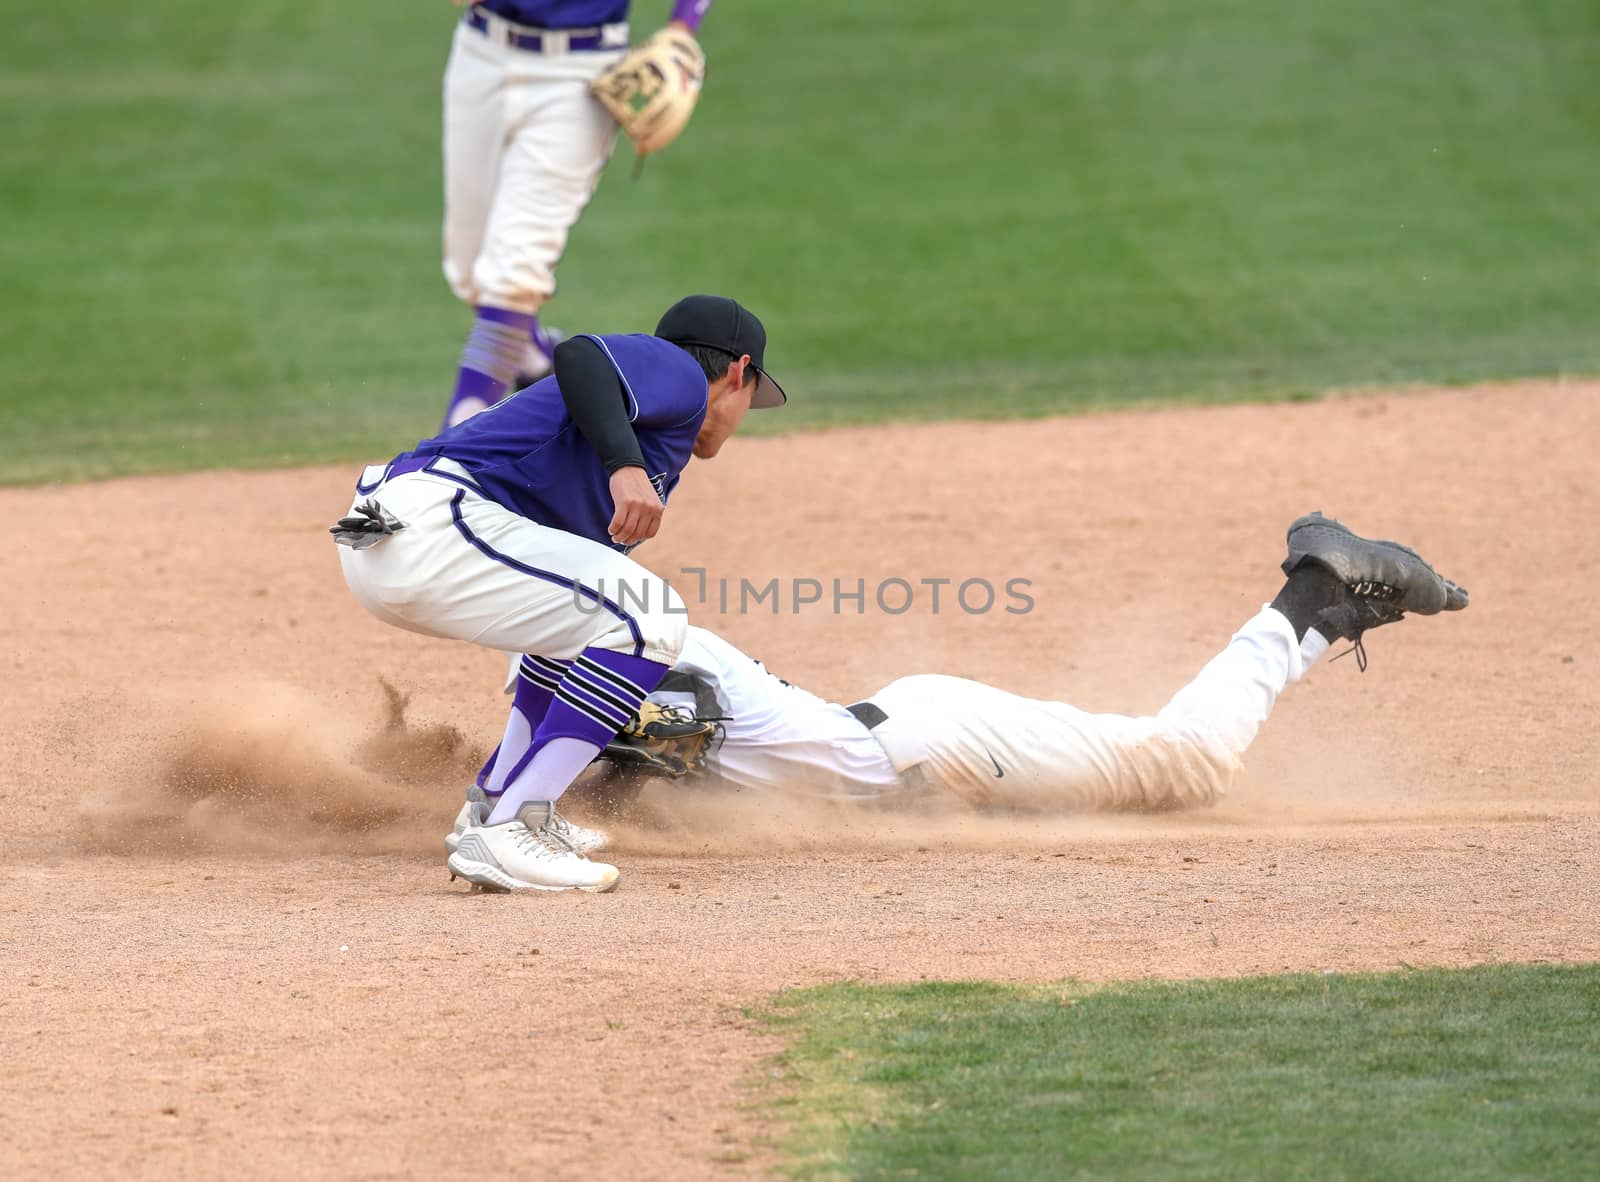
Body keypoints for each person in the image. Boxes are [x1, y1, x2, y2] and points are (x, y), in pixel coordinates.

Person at [465, 513, 1468, 822]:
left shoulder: (619, 635)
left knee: (1186, 767)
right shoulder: (566, 633)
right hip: (911, 741)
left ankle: (1317, 594)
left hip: (934, 747)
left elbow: (657, 724)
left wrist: (554, 795)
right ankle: (1322, 598)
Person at [336, 295, 786, 893]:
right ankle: (513, 829)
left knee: (580, 624)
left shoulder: (652, 437)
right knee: (650, 617)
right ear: (738, 372)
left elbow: (559, 639)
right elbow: (580, 356)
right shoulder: (678, 374)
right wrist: (624, 465)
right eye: (754, 394)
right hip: (432, 524)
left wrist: (626, 458)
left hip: (394, 540)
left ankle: (498, 804)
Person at [440, 0, 718, 427]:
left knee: (514, 271)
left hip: (578, 76)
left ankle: (454, 452)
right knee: (470, 268)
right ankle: (536, 360)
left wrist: (684, 25)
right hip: (480, 55)